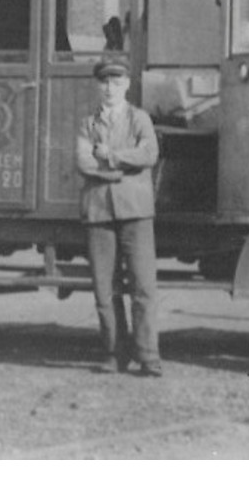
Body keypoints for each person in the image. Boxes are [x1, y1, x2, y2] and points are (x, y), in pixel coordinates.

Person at [75, 54, 163, 377]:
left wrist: (110, 158)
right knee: (104, 288)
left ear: (126, 85)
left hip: (136, 212)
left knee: (143, 285)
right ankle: (114, 353)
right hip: (99, 211)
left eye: (116, 82)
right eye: (104, 83)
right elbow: (83, 162)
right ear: (98, 86)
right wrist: (123, 171)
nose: (110, 89)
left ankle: (148, 356)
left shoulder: (139, 119)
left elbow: (149, 153)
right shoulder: (87, 123)